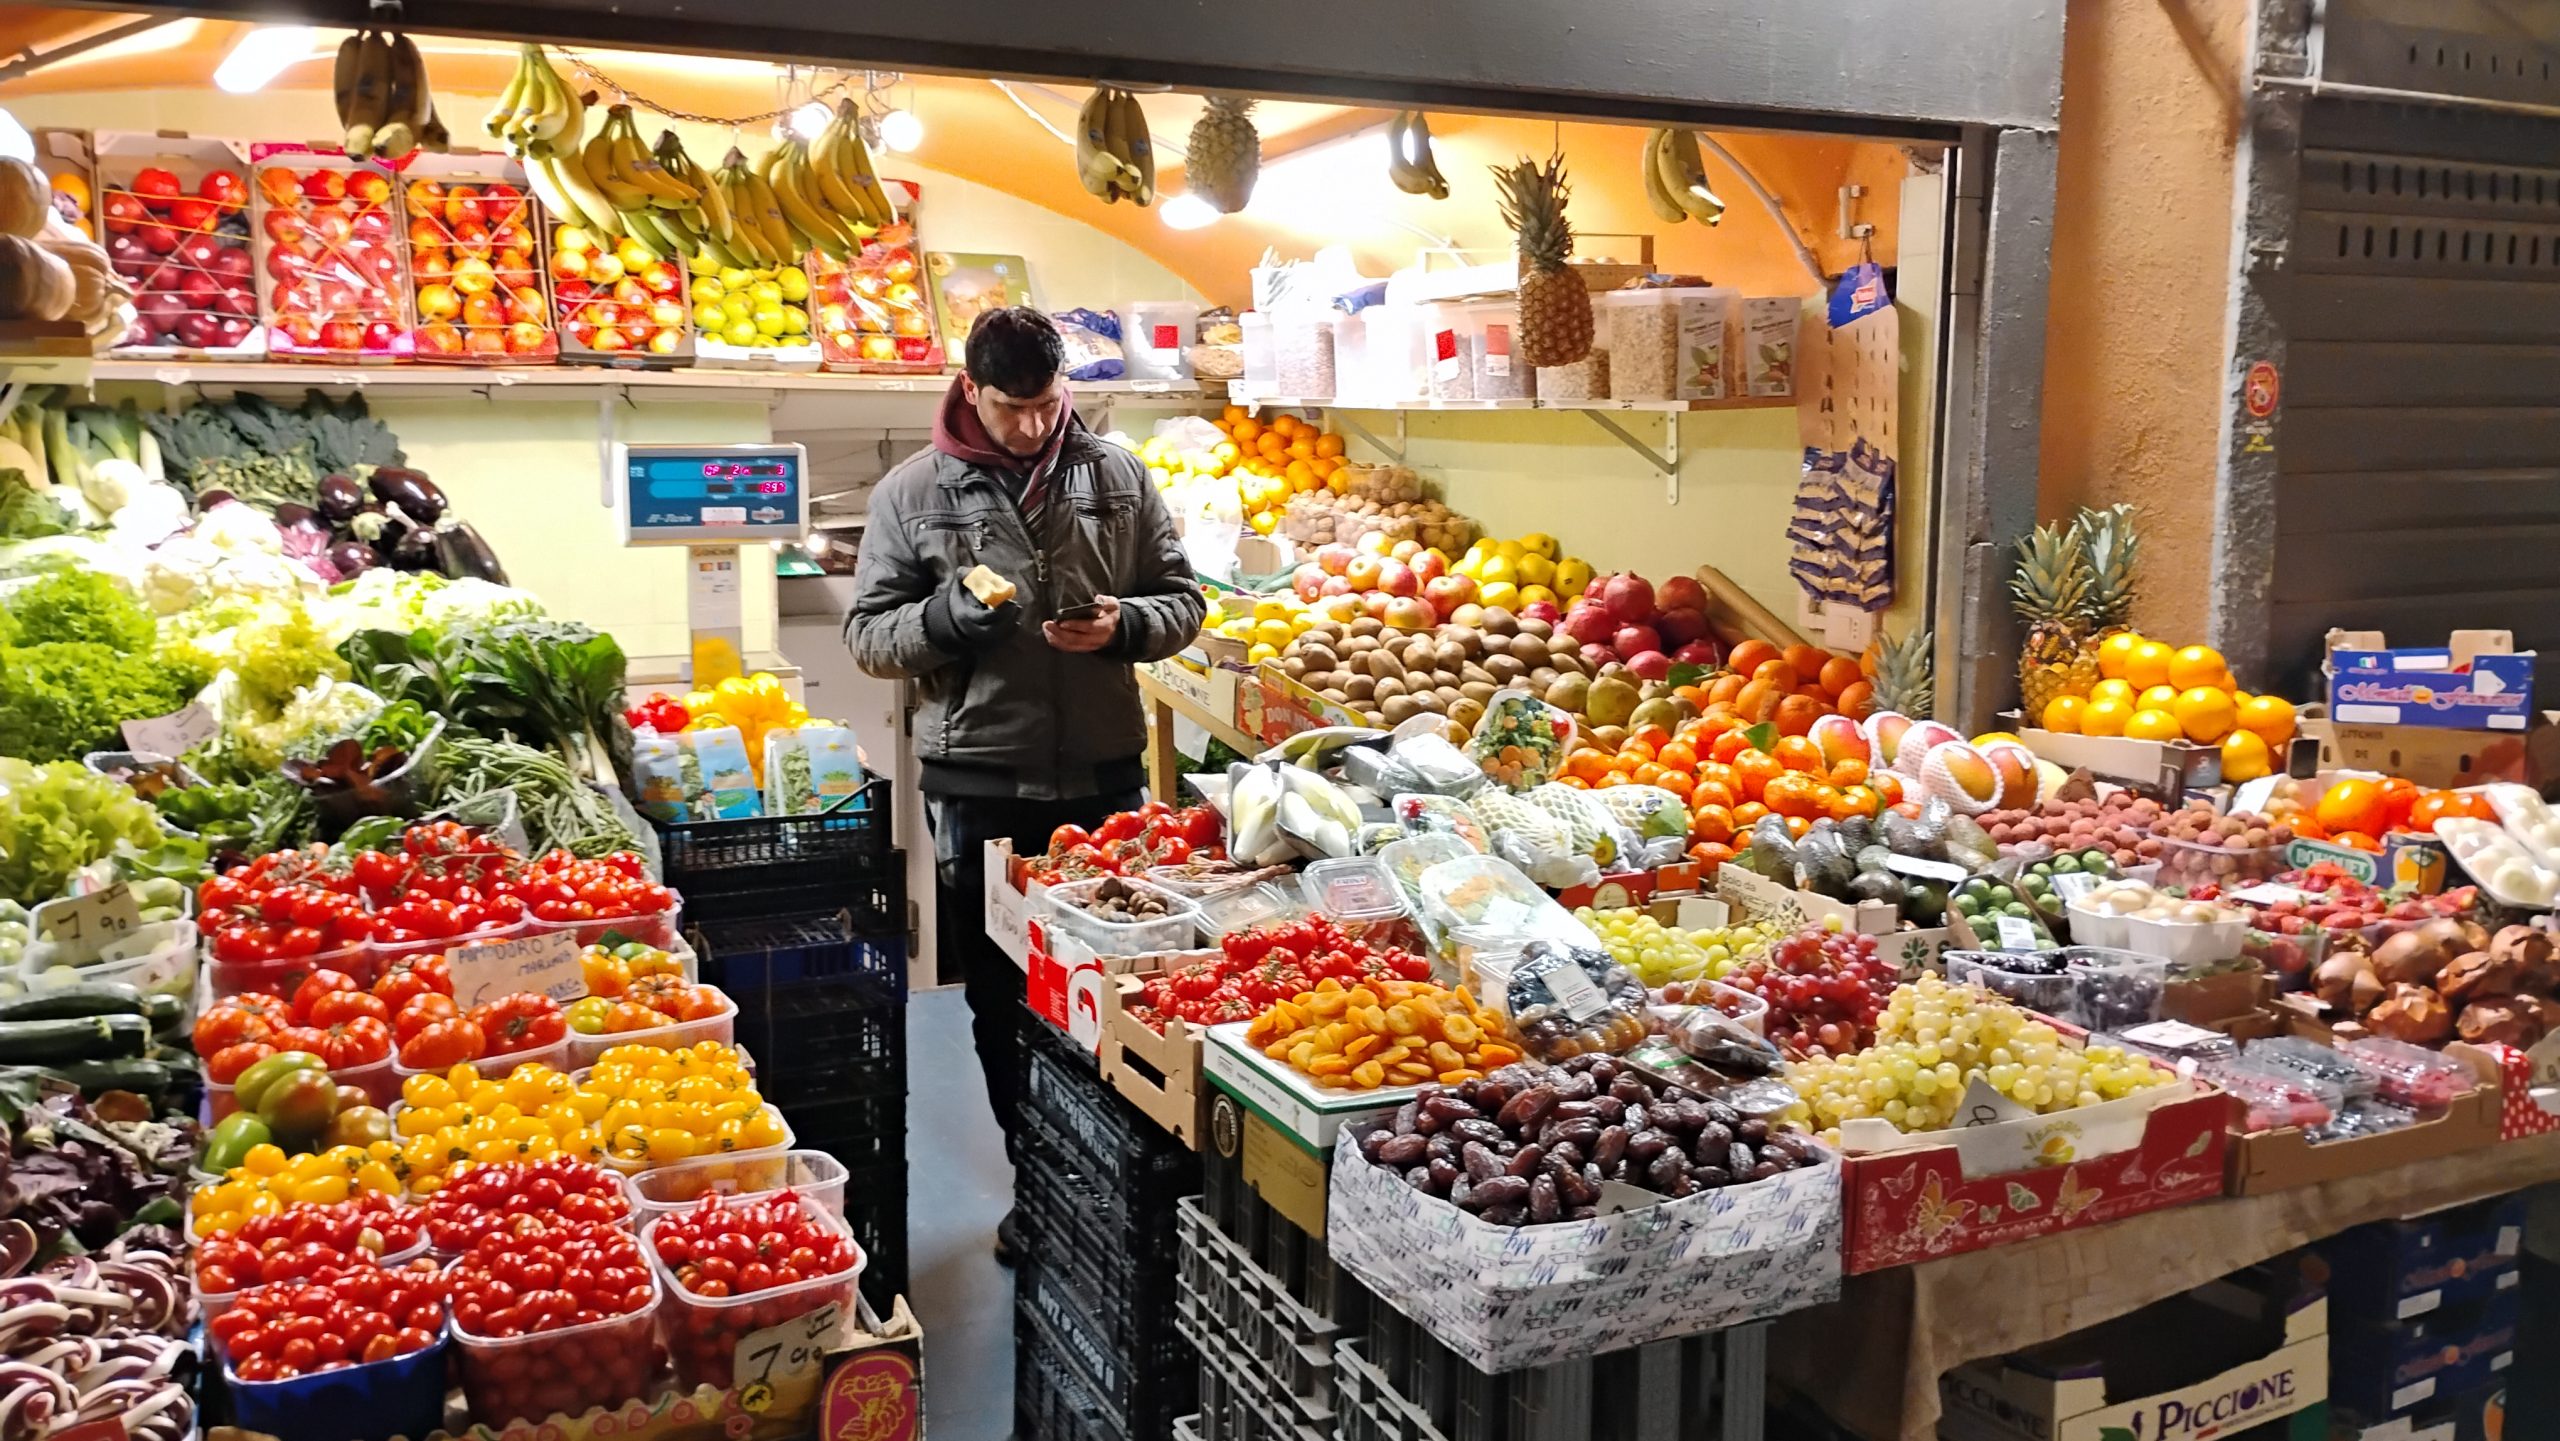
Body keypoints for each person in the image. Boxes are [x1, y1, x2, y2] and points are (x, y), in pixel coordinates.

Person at [845, 307, 1205, 1262]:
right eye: (1015, 409)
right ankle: (1035, 1185)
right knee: (1003, 998)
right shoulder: (912, 493)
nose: (1036, 427)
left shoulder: (1117, 478)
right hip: (978, 782)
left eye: (1051, 406)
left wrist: (1126, 623)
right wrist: (947, 619)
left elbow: (1184, 601)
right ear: (971, 390)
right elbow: (870, 636)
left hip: (1101, 773)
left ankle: (1121, 1184)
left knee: (1118, 989)